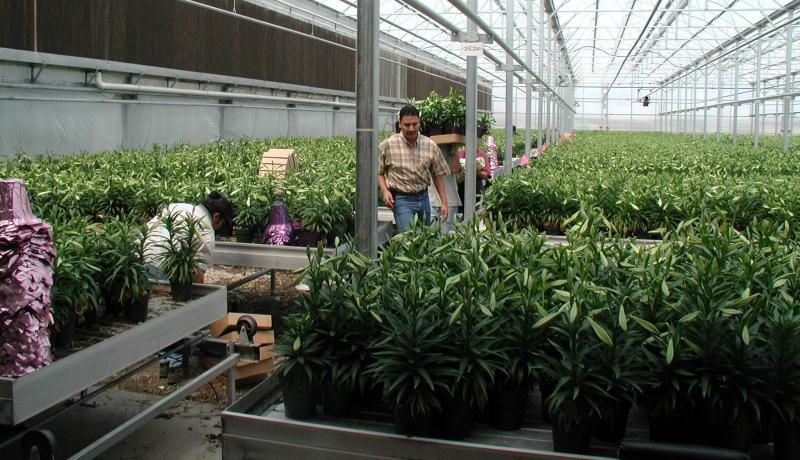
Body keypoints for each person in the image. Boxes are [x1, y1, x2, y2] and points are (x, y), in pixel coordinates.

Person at [378, 105, 450, 232]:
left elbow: (437, 175)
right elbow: (379, 172)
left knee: (424, 239)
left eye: (414, 124)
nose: (411, 128)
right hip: (402, 199)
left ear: (419, 123)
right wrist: (385, 191)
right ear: (399, 124)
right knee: (408, 240)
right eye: (406, 125)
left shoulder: (430, 145)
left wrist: (444, 202)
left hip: (423, 198)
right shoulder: (388, 145)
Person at [144, 191, 233, 283]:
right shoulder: (207, 233)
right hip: (161, 266)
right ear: (216, 216)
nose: (219, 228)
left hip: (138, 258)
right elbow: (197, 274)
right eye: (222, 224)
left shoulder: (177, 206)